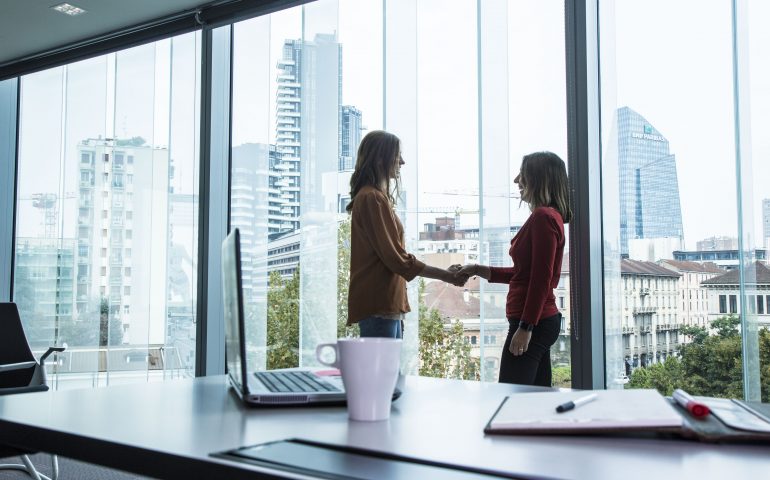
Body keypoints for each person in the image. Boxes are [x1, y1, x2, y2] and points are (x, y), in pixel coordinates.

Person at [456, 151, 572, 386]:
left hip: (534, 322)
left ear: (539, 179)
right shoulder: (548, 217)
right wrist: (477, 268)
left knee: (511, 395)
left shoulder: (543, 217)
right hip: (539, 320)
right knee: (535, 398)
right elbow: (525, 275)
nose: (517, 180)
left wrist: (526, 327)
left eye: (524, 174)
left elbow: (541, 279)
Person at [346, 130, 468, 338]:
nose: (401, 162)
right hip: (379, 305)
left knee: (386, 370)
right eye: (397, 155)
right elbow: (397, 260)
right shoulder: (372, 198)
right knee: (383, 371)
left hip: (386, 305)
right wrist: (446, 276)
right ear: (380, 159)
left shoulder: (374, 198)